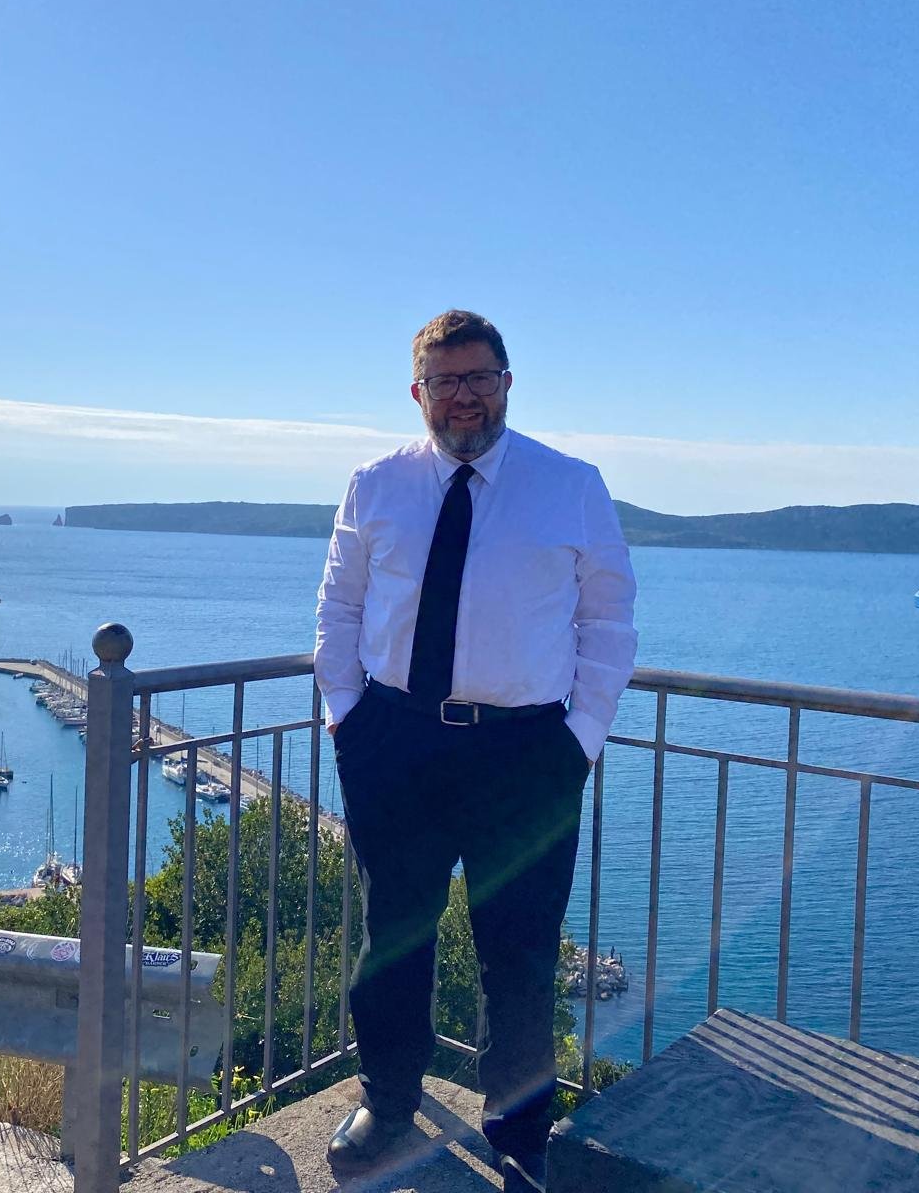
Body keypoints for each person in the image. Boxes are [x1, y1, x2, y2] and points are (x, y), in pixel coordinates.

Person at [314, 309, 637, 1189]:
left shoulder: (569, 484)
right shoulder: (375, 483)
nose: (464, 396)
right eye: (445, 381)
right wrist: (348, 715)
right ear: (419, 391)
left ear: (506, 382)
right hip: (396, 740)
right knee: (394, 934)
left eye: (479, 377)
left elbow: (607, 620)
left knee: (521, 949)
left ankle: (521, 1132)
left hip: (526, 753)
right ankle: (387, 1100)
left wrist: (580, 739)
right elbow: (340, 607)